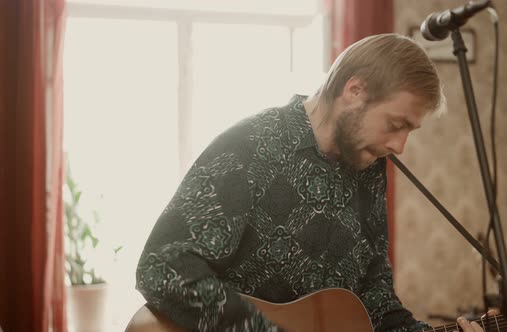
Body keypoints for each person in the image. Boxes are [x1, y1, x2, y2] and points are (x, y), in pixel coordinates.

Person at [135, 33, 482, 332]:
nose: (399, 146)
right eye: (395, 124)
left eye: (409, 131)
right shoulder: (252, 144)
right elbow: (162, 266)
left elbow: (374, 298)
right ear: (354, 90)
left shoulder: (369, 169)